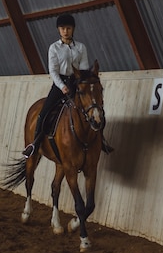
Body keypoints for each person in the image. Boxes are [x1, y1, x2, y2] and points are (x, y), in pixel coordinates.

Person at [22, 14, 114, 158]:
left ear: (73, 29)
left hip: (77, 82)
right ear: (59, 30)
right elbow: (53, 70)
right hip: (60, 84)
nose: (66, 31)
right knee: (44, 112)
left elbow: (83, 68)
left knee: (96, 110)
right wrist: (62, 86)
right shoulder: (54, 48)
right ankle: (35, 143)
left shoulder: (81, 47)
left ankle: (101, 140)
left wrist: (81, 82)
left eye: (68, 28)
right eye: (63, 28)